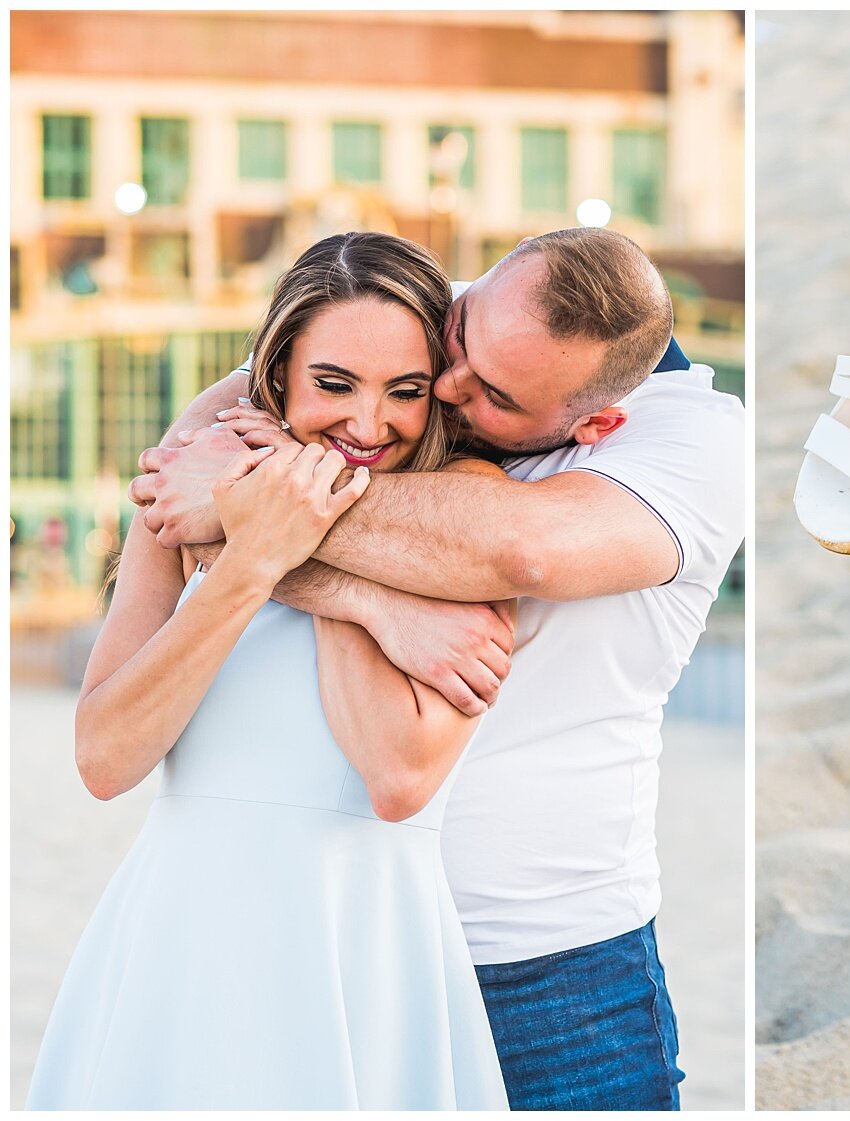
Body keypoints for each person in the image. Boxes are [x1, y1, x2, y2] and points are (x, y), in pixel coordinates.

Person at [130, 227, 747, 1109]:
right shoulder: (466, 321)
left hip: (547, 976)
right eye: (457, 341)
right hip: (341, 947)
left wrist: (253, 506)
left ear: (593, 424)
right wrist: (353, 582)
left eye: (493, 393)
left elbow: (515, 549)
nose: (447, 390)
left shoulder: (693, 443)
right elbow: (239, 398)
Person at [27, 232, 508, 1109]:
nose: (368, 427)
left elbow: (399, 774)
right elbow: (104, 758)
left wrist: (314, 541)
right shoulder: (191, 491)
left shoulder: (464, 506)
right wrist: (253, 559)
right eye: (334, 384)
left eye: (404, 391)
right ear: (278, 369)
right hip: (180, 934)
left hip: (361, 939)